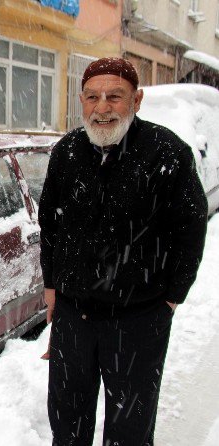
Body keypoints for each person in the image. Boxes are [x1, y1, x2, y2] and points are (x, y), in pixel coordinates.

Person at [38, 57, 208, 445]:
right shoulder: (66, 153)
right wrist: (52, 286)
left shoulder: (167, 153)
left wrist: (171, 298)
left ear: (137, 100)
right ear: (81, 100)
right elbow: (50, 223)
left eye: (115, 96)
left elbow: (190, 227)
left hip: (139, 318)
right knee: (67, 424)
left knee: (130, 430)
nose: (102, 108)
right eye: (93, 97)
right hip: (73, 317)